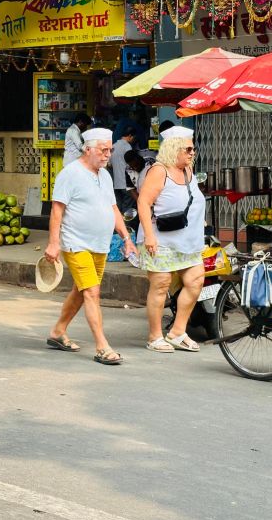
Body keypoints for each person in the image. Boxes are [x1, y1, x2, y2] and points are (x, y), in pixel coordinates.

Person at [45, 127, 138, 365]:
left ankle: (58, 332)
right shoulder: (70, 174)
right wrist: (54, 243)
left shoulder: (104, 176)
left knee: (82, 289)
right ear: (88, 150)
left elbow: (113, 208)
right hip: (76, 242)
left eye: (110, 150)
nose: (108, 155)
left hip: (100, 244)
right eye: (103, 150)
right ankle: (102, 346)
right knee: (92, 292)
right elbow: (57, 210)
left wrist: (127, 239)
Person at [136, 126, 206, 353]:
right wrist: (148, 235)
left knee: (196, 280)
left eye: (193, 149)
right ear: (173, 148)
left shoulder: (188, 171)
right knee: (161, 285)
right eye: (188, 149)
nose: (192, 153)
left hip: (188, 239)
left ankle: (177, 332)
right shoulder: (159, 171)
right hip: (160, 239)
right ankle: (155, 336)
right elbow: (144, 203)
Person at [109, 127, 136, 211]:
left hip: (116, 183)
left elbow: (109, 164)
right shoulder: (127, 146)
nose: (134, 140)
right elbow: (132, 164)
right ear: (130, 136)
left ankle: (119, 224)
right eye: (134, 137)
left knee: (118, 207)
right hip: (126, 183)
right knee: (128, 207)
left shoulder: (113, 147)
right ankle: (126, 224)